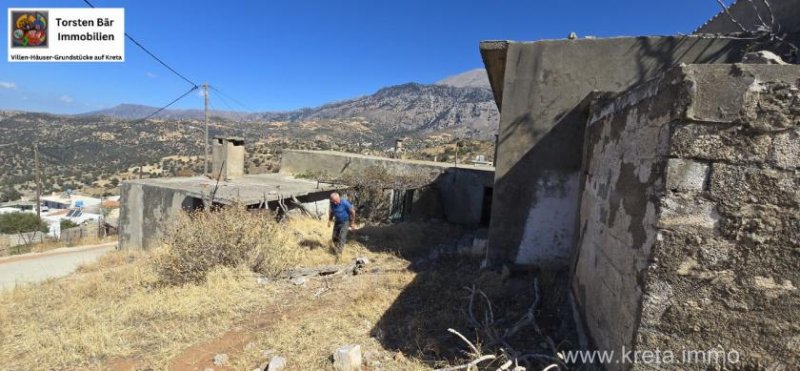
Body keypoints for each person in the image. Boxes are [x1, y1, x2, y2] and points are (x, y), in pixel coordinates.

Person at [328, 192, 355, 256]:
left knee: (341, 237)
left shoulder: (345, 203)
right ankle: (337, 248)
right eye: (333, 201)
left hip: (345, 222)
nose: (334, 203)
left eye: (335, 201)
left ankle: (339, 253)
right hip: (337, 222)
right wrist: (330, 220)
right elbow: (332, 212)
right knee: (334, 237)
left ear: (338, 198)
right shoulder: (332, 204)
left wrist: (352, 222)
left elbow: (353, 212)